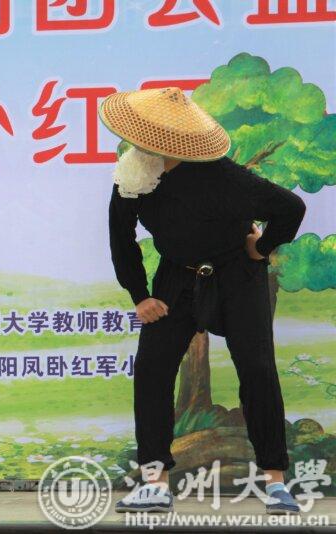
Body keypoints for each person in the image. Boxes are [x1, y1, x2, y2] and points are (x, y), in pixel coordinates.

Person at [100, 87, 306, 514]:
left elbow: (290, 207)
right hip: (176, 277)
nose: (142, 143)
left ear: (175, 140)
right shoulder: (133, 174)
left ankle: (275, 480)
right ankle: (154, 483)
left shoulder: (224, 176)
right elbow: (121, 237)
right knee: (152, 370)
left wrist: (261, 248)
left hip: (236, 275)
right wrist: (140, 296)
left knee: (257, 369)